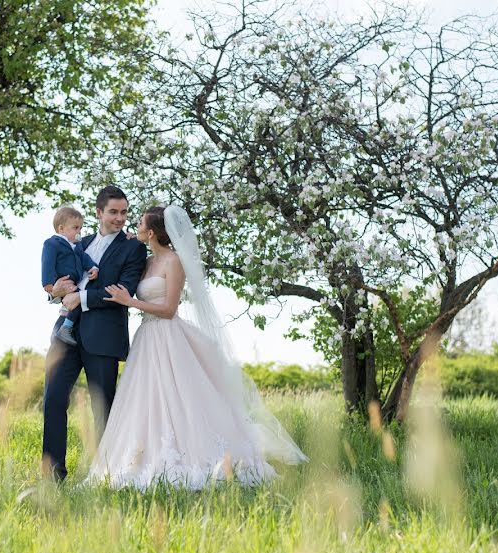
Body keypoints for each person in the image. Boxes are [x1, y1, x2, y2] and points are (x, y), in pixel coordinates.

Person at [85, 205, 307, 489]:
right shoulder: (148, 261)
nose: (134, 226)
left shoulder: (174, 261)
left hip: (167, 336)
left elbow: (169, 309)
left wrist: (131, 302)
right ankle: (141, 456)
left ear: (151, 232)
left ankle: (197, 458)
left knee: (179, 400)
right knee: (146, 401)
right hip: (147, 340)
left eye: (139, 223)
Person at [41, 185, 148, 482]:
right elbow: (58, 282)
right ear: (99, 212)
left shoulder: (133, 247)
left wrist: (83, 299)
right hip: (65, 335)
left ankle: (106, 476)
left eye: (124, 212)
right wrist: (57, 293)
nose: (120, 218)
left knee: (103, 409)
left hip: (103, 336)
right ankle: (52, 476)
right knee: (52, 400)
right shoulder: (77, 242)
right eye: (113, 212)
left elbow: (124, 290)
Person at [41, 206, 100, 346]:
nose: (79, 232)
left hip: (73, 282)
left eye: (80, 228)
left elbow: (84, 257)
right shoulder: (52, 243)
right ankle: (66, 326)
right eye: (75, 228)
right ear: (61, 229)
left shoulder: (76, 246)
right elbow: (47, 262)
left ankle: (66, 319)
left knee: (78, 299)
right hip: (62, 281)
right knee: (79, 298)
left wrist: (93, 267)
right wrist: (48, 284)